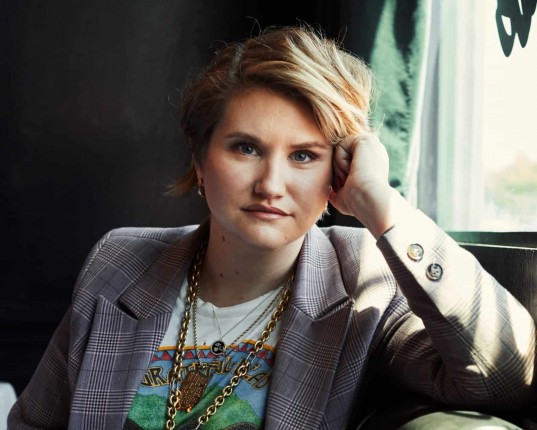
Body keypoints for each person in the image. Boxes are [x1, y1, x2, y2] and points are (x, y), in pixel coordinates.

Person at [8, 24, 535, 430]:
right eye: (246, 148)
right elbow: (34, 423)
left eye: (304, 156)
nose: (270, 184)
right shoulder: (120, 259)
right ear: (200, 156)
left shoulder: (363, 280)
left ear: (340, 169)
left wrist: (380, 203)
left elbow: (508, 376)